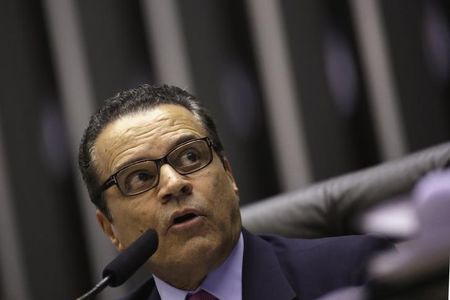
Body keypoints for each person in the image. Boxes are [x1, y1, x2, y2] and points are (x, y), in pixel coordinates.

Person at [78, 84, 390, 300]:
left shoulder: (358, 271)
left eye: (190, 157)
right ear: (110, 229)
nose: (173, 183)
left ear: (229, 175)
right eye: (140, 177)